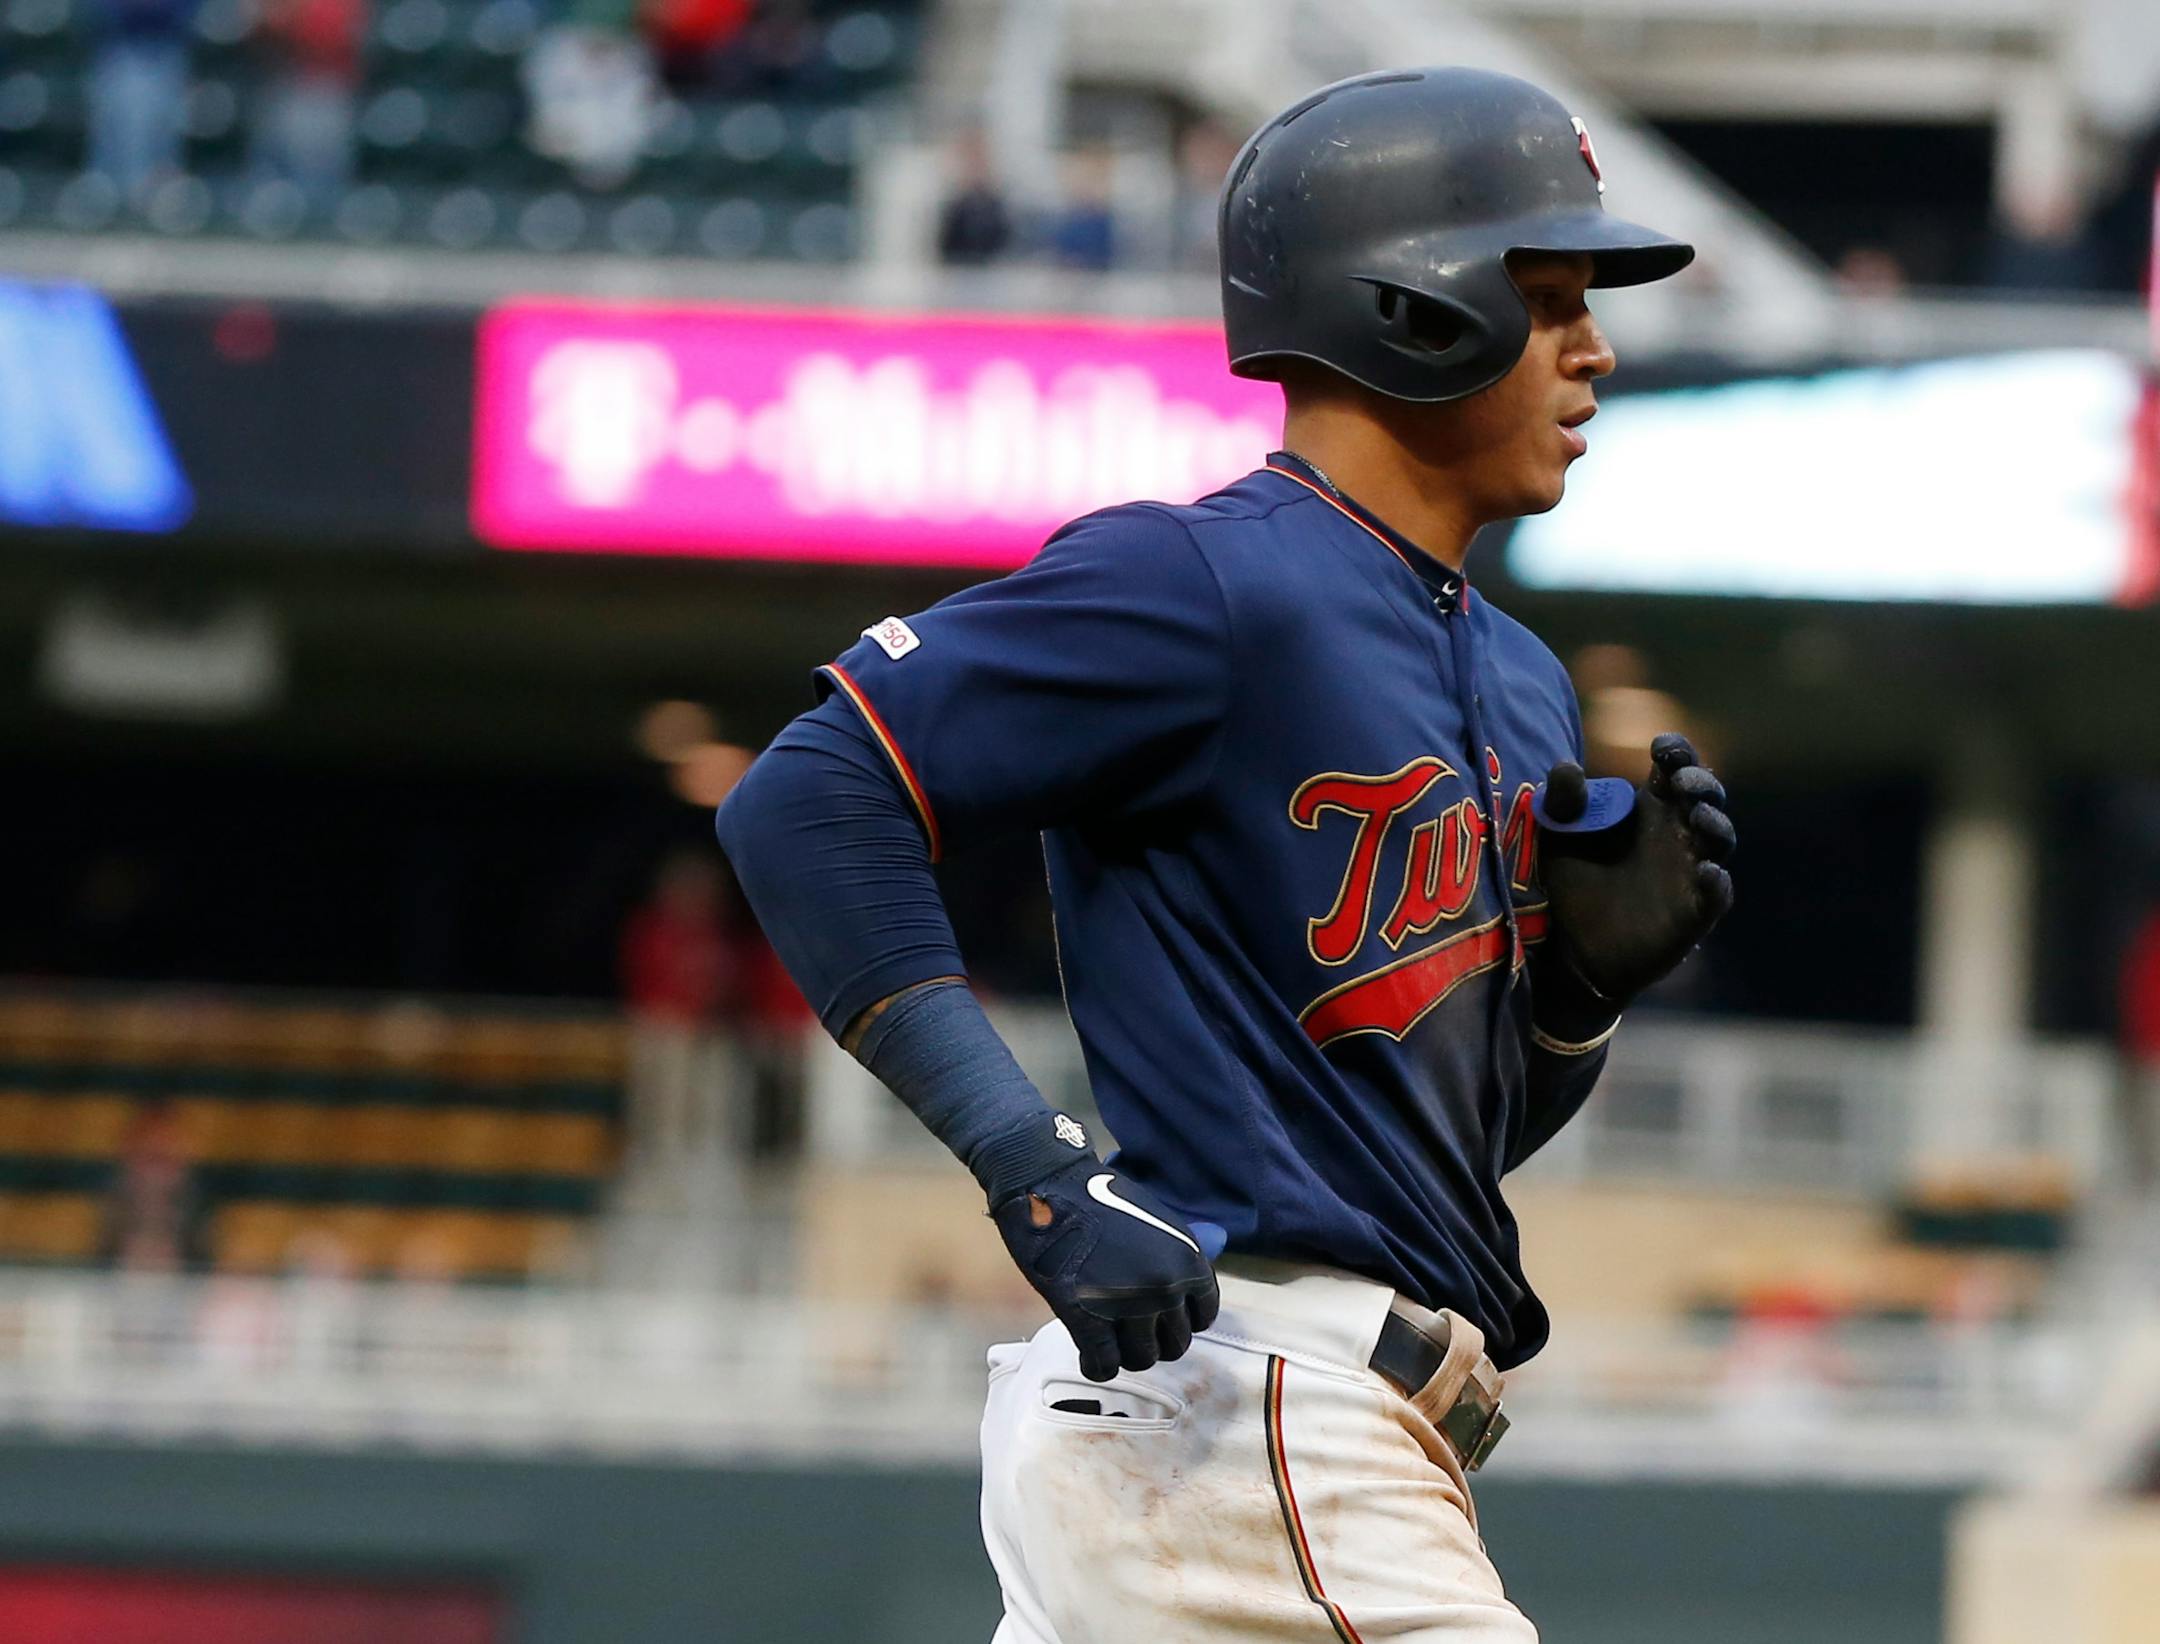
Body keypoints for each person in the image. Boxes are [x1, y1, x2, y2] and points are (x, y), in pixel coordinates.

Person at [718, 67, 1736, 1642]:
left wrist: (1576, 1003)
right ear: (1417, 305)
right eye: (1548, 298)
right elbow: (809, 794)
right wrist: (1034, 1169)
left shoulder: (1525, 681)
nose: (1593, 345)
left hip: (1301, 1425)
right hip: (1250, 1408)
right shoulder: (1199, 582)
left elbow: (1424, 1152)